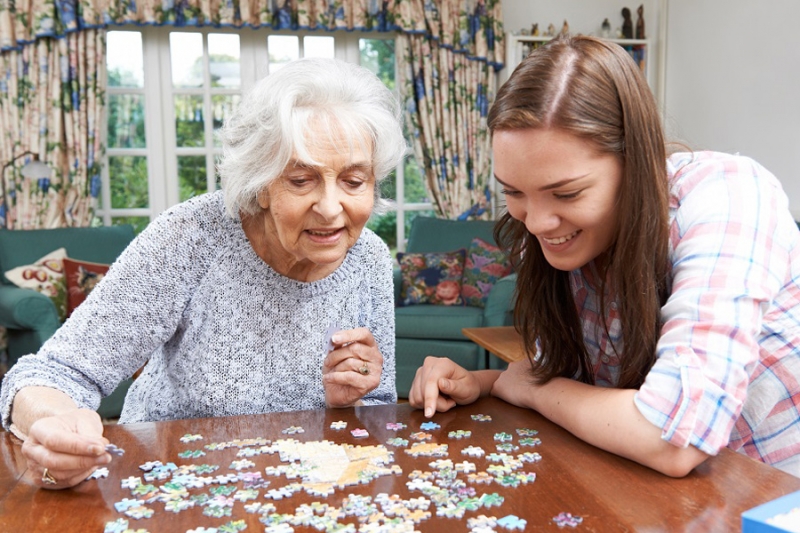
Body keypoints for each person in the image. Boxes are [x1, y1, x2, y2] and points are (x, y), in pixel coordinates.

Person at [0, 57, 407, 488]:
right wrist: (56, 430)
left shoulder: (370, 259)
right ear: (261, 184)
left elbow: (375, 413)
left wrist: (348, 398)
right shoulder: (191, 236)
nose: (330, 208)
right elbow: (51, 374)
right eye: (301, 180)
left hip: (299, 490)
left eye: (353, 181)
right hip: (169, 482)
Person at [410, 34, 800, 478]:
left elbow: (672, 438)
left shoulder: (730, 196)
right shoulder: (570, 238)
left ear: (635, 161)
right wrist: (479, 382)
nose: (535, 223)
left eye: (567, 192)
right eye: (513, 192)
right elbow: (570, 383)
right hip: (661, 495)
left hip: (773, 495)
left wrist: (533, 390)